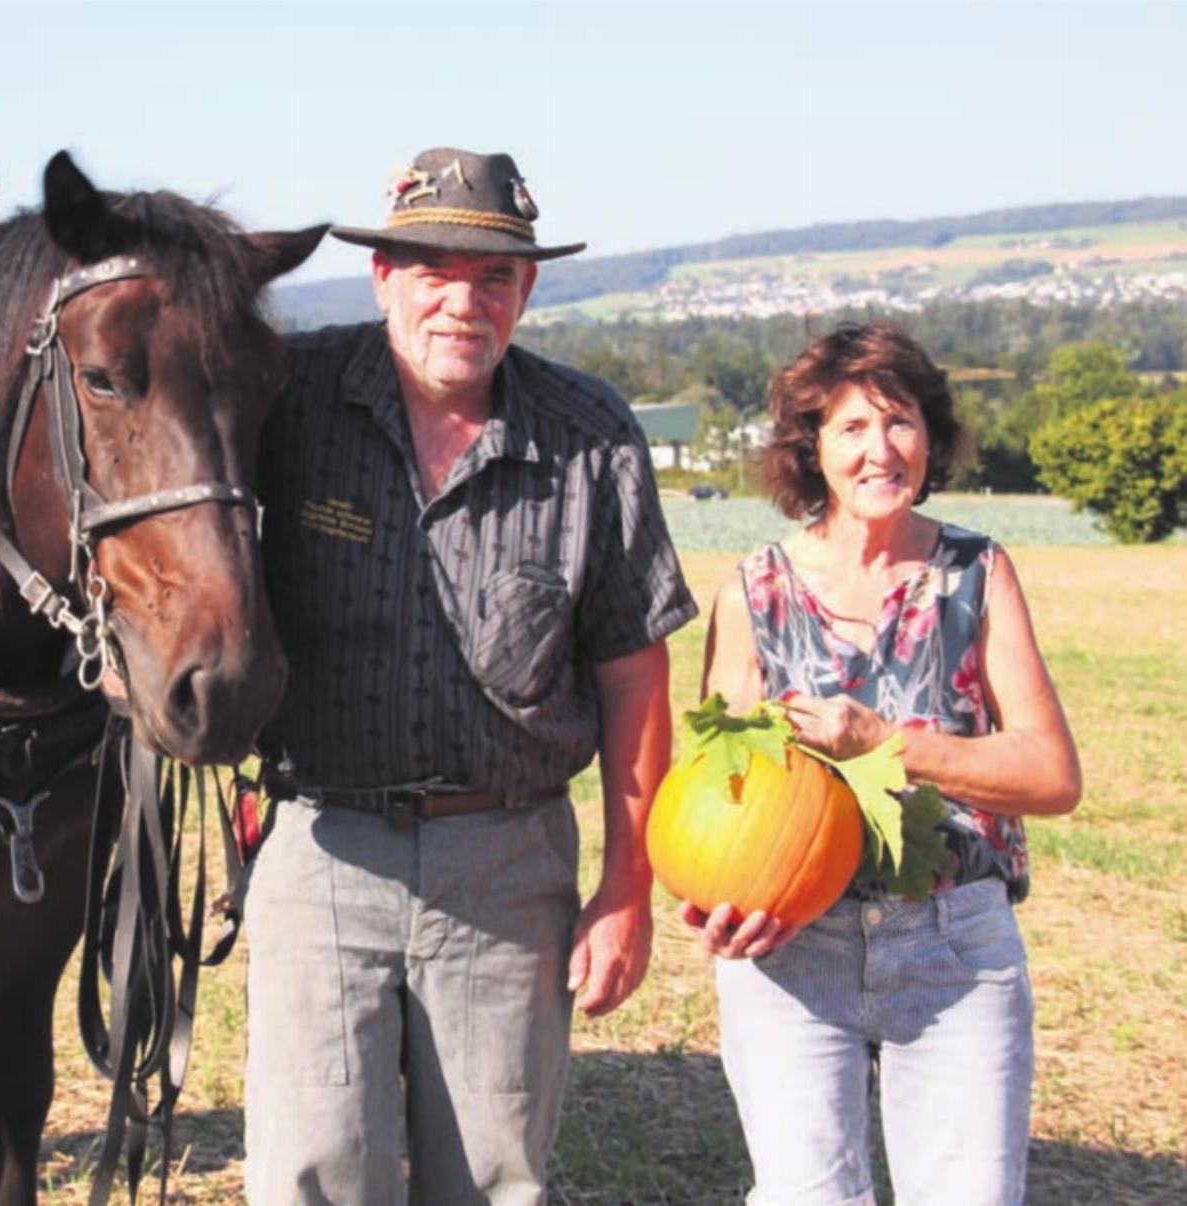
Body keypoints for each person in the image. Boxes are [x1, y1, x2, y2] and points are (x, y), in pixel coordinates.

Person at [245, 148, 697, 1203]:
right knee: (310, 1174)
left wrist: (626, 889)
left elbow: (637, 679)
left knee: (495, 1179)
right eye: (433, 271)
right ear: (383, 277)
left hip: (509, 857)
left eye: (494, 277)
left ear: (528, 289)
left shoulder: (591, 440)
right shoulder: (288, 405)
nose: (463, 302)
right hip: (323, 849)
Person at [688, 322, 1082, 1204]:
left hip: (954, 945)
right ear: (811, 449)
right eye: (852, 429)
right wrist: (719, 897)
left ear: (930, 437)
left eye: (900, 422)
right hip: (793, 949)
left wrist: (888, 748)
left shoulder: (976, 574)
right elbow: (723, 792)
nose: (880, 450)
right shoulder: (753, 594)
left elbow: (1052, 775)